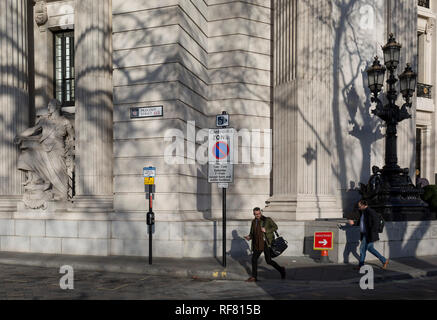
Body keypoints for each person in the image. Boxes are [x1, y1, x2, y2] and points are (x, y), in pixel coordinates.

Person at [14, 99, 75, 201]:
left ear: (57, 107)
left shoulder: (65, 122)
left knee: (58, 172)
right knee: (26, 156)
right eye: (48, 106)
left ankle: (61, 194)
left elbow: (72, 137)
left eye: (50, 105)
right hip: (44, 148)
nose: (48, 108)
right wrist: (20, 135)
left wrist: (72, 149)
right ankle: (34, 181)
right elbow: (33, 130)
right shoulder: (44, 121)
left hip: (57, 150)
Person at [244, 207, 286, 282]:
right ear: (254, 214)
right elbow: (252, 233)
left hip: (266, 243)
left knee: (269, 261)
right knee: (254, 259)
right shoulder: (253, 222)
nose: (257, 215)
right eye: (256, 214)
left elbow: (275, 227)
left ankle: (281, 269)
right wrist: (249, 237)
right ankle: (254, 277)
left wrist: (266, 230)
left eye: (259, 213)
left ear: (261, 213)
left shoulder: (267, 220)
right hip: (257, 243)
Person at [347, 200, 389, 270]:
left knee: (362, 249)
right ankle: (384, 260)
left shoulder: (370, 211)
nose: (359, 208)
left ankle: (361, 265)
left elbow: (376, 222)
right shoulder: (363, 212)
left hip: (368, 234)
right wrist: (353, 223)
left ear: (363, 205)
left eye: (359, 206)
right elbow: (362, 223)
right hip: (365, 234)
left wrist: (371, 232)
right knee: (370, 248)